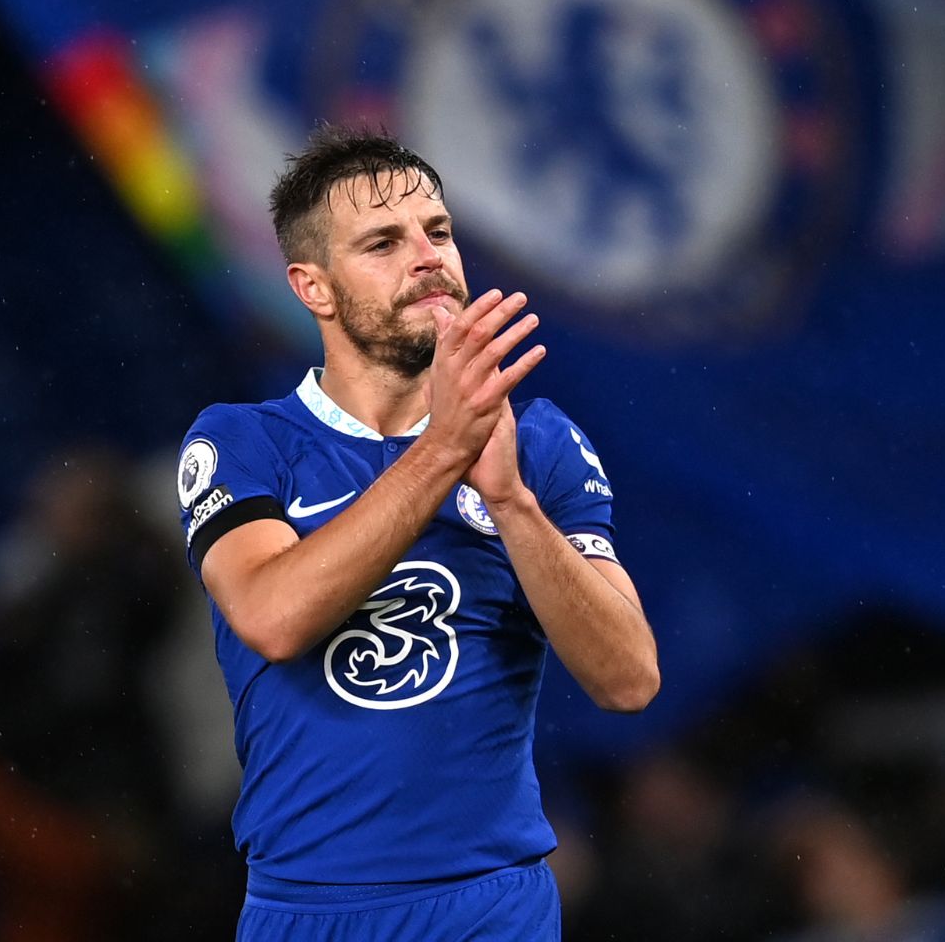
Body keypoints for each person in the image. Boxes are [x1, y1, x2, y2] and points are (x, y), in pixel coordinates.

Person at [176, 123, 660, 940]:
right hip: (309, 912)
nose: (428, 256)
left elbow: (629, 679)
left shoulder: (537, 443)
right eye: (383, 243)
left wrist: (511, 502)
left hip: (491, 907)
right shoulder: (245, 442)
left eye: (438, 232)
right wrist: (444, 452)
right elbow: (272, 615)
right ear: (314, 288)